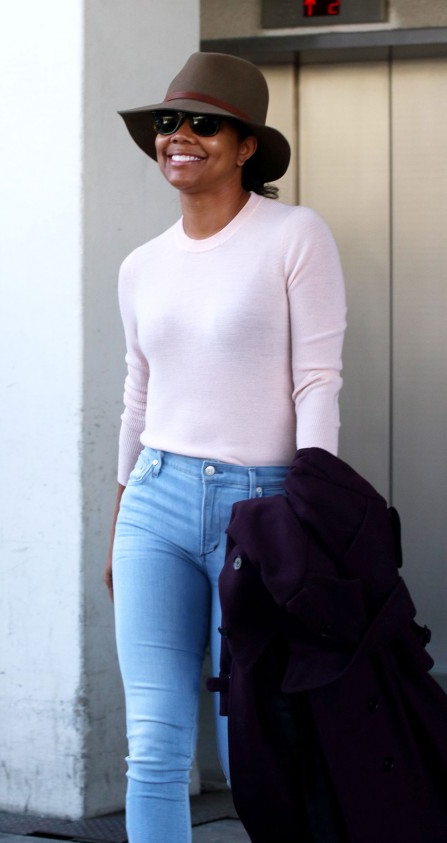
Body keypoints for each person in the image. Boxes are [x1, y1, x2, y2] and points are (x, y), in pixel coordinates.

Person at [105, 51, 346, 843]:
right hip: (154, 503)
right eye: (168, 122)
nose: (179, 135)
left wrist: (310, 516)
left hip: (264, 505)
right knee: (155, 745)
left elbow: (316, 380)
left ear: (246, 146)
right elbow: (138, 395)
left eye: (204, 123)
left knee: (259, 741)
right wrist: (117, 519)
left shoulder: (293, 235)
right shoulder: (140, 266)